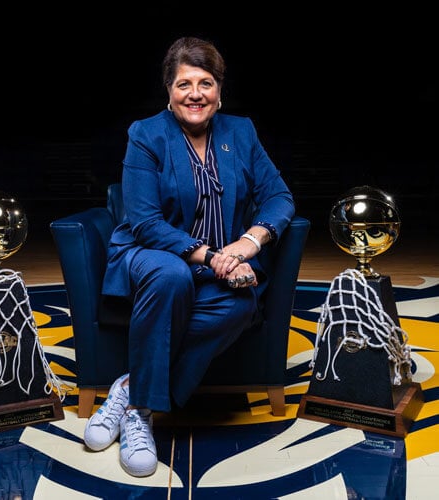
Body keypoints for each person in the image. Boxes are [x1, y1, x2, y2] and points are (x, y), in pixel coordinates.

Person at [84, 36, 295, 477]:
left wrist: (246, 246)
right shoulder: (146, 134)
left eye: (205, 83)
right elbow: (143, 220)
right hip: (151, 254)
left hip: (224, 262)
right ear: (169, 90)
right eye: (184, 84)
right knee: (172, 276)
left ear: (220, 91)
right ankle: (142, 414)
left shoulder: (242, 131)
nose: (195, 94)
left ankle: (129, 388)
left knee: (240, 304)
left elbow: (278, 196)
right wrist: (209, 256)